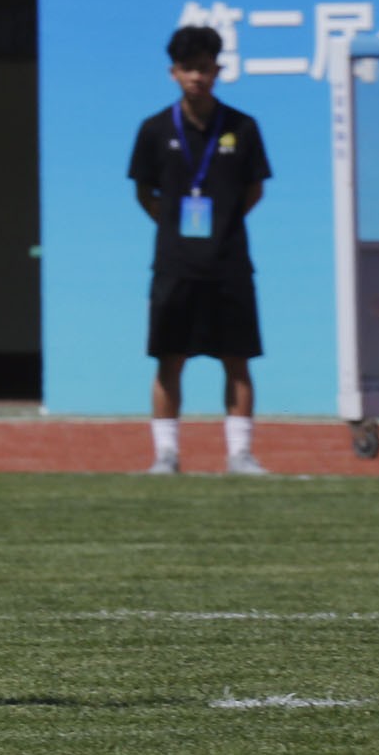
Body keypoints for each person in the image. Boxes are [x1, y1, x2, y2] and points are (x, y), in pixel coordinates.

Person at [129, 25, 272, 476]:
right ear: (173, 73)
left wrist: (222, 229)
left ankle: (240, 454)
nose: (197, 77)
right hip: (174, 264)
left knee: (237, 358)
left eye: (206, 69)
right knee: (169, 358)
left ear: (219, 70)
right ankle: (166, 455)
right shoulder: (154, 130)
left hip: (230, 264)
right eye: (189, 69)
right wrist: (175, 229)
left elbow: (254, 190)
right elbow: (144, 193)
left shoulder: (243, 127)